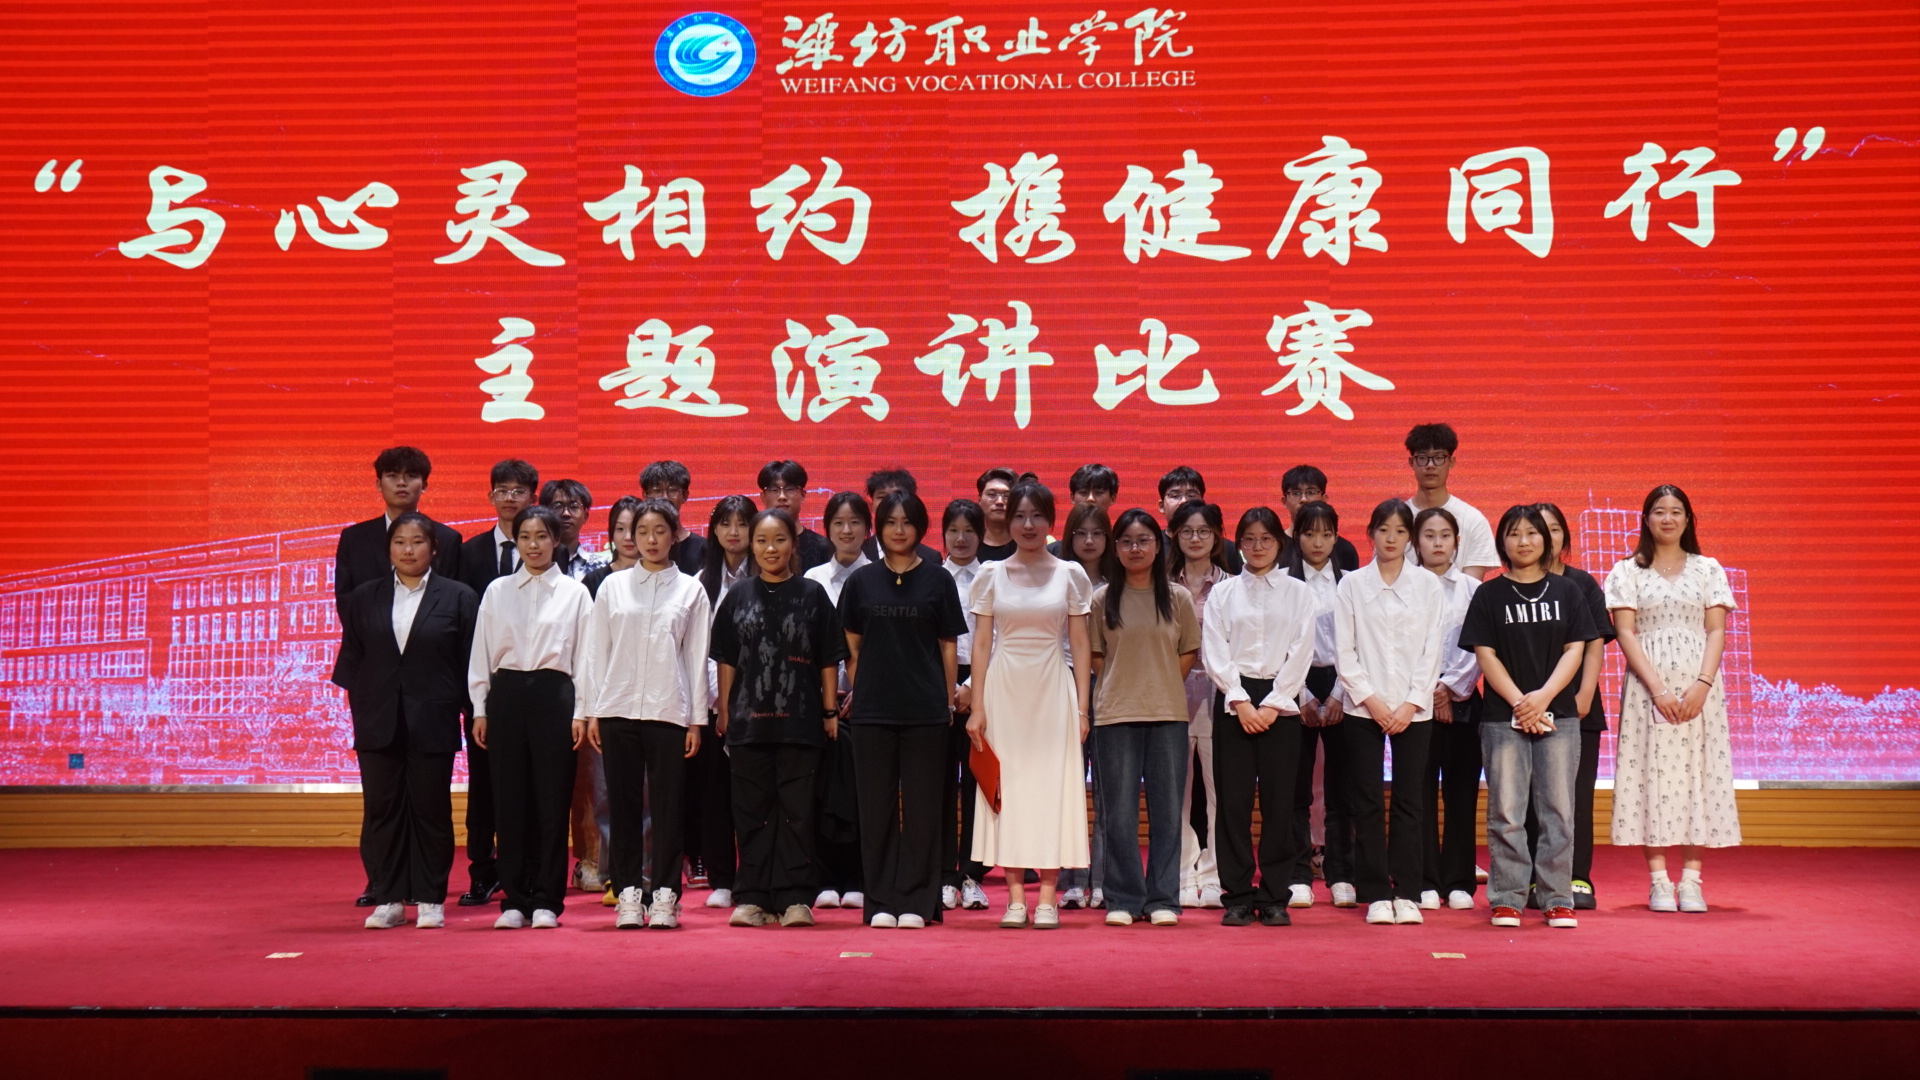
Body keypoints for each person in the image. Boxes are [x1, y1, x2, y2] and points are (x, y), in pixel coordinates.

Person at [333, 512, 479, 930]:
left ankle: (430, 897)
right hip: (378, 722)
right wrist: (365, 709)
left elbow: (470, 662)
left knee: (430, 810)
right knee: (383, 811)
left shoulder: (459, 597)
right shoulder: (364, 597)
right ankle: (390, 897)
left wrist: (469, 710)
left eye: (417, 542)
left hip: (432, 718)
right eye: (399, 542)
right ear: (388, 549)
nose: (408, 550)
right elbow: (352, 661)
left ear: (434, 549)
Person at [1458, 504, 1601, 930]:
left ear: (1547, 540)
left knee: (1559, 811)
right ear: (1502, 542)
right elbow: (1485, 654)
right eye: (1514, 534)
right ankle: (1507, 897)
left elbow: (1576, 649)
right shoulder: (1489, 594)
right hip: (1503, 718)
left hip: (1559, 715)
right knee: (1506, 812)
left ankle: (1557, 897)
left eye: (1532, 533)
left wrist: (1544, 697)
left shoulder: (1568, 591)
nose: (1523, 541)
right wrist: (1522, 702)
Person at [964, 482, 1094, 929]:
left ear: (1051, 520)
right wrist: (977, 706)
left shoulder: (1070, 574)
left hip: (1053, 689)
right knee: (1011, 790)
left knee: (1051, 789)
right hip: (1004, 692)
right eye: (1019, 516)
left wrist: (1082, 708)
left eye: (1037, 516)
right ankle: (1016, 897)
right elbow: (982, 644)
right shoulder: (991, 574)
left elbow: (1080, 643)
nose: (1028, 524)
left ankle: (1048, 897)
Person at [1606, 485, 1741, 914]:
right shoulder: (1627, 571)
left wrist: (1703, 683)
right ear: (1646, 519)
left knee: (1699, 774)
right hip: (1647, 691)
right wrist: (1659, 689)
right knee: (1652, 775)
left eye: (1676, 511)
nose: (1668, 519)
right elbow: (1625, 632)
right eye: (1659, 511)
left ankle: (1693, 882)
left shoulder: (1708, 568)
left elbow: (1716, 630)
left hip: (1701, 690)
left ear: (1688, 519)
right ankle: (1660, 882)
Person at [711, 508, 847, 928]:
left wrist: (829, 710)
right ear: (752, 546)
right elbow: (726, 658)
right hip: (748, 723)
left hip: (800, 722)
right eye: (762, 541)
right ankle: (753, 897)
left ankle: (794, 898)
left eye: (779, 540)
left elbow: (828, 658)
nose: (771, 549)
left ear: (793, 544)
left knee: (797, 812)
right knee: (751, 811)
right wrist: (725, 711)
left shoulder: (812, 594)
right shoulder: (738, 596)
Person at [579, 498, 711, 930]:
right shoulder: (612, 587)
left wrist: (696, 720)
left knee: (669, 808)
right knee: (622, 807)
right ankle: (628, 894)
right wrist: (592, 711)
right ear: (630, 537)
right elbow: (596, 653)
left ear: (674, 535)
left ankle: (666, 896)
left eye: (660, 531)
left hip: (668, 710)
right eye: (642, 532)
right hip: (617, 710)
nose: (651, 540)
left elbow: (696, 658)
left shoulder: (691, 590)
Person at [839, 491, 968, 928]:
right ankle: (880, 901)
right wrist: (866, 688)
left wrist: (946, 698)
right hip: (872, 712)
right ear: (878, 528)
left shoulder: (938, 580)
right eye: (890, 522)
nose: (899, 530)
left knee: (923, 810)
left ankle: (916, 901)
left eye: (907, 522)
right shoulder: (861, 581)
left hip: (926, 712)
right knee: (875, 810)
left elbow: (947, 645)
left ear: (920, 528)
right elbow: (852, 647)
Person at [468, 505, 594, 929]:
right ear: (515, 541)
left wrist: (581, 712)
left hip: (554, 695)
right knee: (509, 800)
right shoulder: (497, 591)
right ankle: (514, 899)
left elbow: (586, 657)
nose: (533, 545)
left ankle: (546, 900)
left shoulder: (575, 593)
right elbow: (482, 653)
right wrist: (480, 707)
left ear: (556, 540)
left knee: (552, 801)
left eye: (541, 536)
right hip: (505, 696)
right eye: (525, 537)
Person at [1200, 507, 1316, 927]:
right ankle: (1237, 895)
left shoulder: (1299, 593)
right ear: (1239, 544)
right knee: (1232, 804)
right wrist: (1240, 700)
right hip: (1235, 700)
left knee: (1280, 804)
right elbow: (1214, 649)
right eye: (1248, 539)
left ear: (1279, 543)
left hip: (1281, 702)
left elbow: (1302, 650)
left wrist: (1274, 702)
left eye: (1266, 538)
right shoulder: (1223, 593)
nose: (1257, 546)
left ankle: (1273, 896)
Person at [1335, 499, 1445, 926]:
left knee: (1410, 801)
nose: (1392, 538)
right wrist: (1374, 702)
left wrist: (1411, 702)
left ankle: (1409, 892)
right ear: (1371, 534)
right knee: (1366, 800)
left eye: (1400, 531)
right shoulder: (1352, 585)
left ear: (1410, 537)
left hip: (1413, 709)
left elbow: (1432, 650)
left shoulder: (1428, 586)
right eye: (1384, 530)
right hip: (1364, 708)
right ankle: (1376, 892)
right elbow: (1345, 653)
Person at [1089, 509, 1201, 927]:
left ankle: (1162, 899)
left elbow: (1188, 651)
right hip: (1115, 715)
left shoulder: (1178, 597)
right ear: (1116, 549)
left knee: (1167, 813)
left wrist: (1159, 681)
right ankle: (1123, 898)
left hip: (1167, 713)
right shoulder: (1102, 599)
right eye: (1126, 541)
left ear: (1158, 546)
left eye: (1144, 540)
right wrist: (1125, 684)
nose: (1135, 548)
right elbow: (1096, 656)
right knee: (1118, 814)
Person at [454, 456, 539, 907]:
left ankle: (524, 870)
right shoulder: (466, 553)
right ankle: (482, 872)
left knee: (529, 786)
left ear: (533, 497)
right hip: (483, 689)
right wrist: (472, 696)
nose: (510, 499)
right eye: (502, 491)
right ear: (490, 497)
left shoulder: (549, 550)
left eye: (518, 491)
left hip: (538, 690)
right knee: (484, 787)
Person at [1526, 502, 1614, 911]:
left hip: (1578, 706)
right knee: (1531, 798)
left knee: (1575, 797)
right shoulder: (1513, 584)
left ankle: (1577, 877)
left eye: (1554, 529)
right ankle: (1533, 879)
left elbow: (1595, 642)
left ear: (1564, 537)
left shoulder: (1581, 583)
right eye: (1536, 529)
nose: (1546, 536)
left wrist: (1585, 694)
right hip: (1527, 708)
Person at [541, 478, 612, 898]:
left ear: (586, 513)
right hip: (544, 685)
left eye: (574, 505)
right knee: (548, 782)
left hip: (588, 685)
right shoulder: (530, 563)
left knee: (590, 779)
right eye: (556, 505)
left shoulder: (601, 568)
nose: (565, 512)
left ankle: (591, 860)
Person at [803, 491, 872, 911]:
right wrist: (826, 696)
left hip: (868, 703)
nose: (847, 531)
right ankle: (824, 877)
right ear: (827, 529)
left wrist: (861, 691)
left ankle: (859, 877)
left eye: (855, 522)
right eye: (838, 523)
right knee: (820, 789)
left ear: (868, 529)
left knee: (863, 790)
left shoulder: (880, 575)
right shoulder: (811, 580)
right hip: (818, 703)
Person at [1284, 500, 1355, 910]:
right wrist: (1302, 695)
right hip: (1296, 682)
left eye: (1326, 534)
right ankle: (1297, 874)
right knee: (1295, 787)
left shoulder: (1351, 584)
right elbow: (1281, 645)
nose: (1318, 542)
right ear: (1297, 537)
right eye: (1310, 533)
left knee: (1341, 787)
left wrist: (1340, 693)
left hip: (1343, 682)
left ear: (1336, 537)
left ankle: (1341, 872)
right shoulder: (1284, 583)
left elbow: (1358, 642)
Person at [1414, 507, 1485, 911]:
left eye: (1445, 535)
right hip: (1415, 702)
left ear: (1457, 542)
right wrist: (1428, 690)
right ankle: (1424, 878)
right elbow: (1400, 645)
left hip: (1463, 701)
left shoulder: (1474, 590)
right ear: (1416, 542)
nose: (1437, 543)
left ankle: (1459, 880)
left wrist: (1450, 688)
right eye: (1429, 535)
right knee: (1417, 792)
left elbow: (1481, 647)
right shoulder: (1405, 587)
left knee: (1461, 793)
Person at [689, 495, 757, 909]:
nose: (734, 532)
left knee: (752, 797)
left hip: (759, 707)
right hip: (712, 706)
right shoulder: (699, 582)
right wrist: (707, 706)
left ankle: (753, 875)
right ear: (713, 530)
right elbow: (696, 652)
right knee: (714, 796)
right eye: (725, 523)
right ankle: (721, 878)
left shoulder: (769, 577)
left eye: (742, 523)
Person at [1168, 500, 1229, 909]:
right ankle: (1181, 873)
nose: (1195, 538)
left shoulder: (1230, 586)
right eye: (1187, 531)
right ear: (1175, 536)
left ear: (1216, 536)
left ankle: (1214, 873)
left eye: (1203, 531)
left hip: (1217, 692)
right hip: (1171, 691)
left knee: (1218, 789)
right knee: (1175, 789)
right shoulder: (1161, 585)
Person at [940, 498, 992, 910]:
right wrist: (946, 690)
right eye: (954, 531)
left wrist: (973, 686)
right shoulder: (932, 577)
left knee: (979, 784)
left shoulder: (991, 577)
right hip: (937, 687)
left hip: (984, 686)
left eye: (969, 531)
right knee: (940, 785)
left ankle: (972, 874)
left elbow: (998, 637)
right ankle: (943, 875)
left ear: (981, 535)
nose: (961, 539)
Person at [1403, 424, 1499, 580]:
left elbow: (1471, 588)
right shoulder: (1397, 520)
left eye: (1439, 458)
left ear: (1451, 462)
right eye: (1422, 458)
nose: (1430, 465)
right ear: (1411, 462)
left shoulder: (1473, 520)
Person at [1158, 466, 1241, 572]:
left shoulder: (1227, 549)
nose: (1183, 501)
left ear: (1202, 503)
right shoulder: (1153, 546)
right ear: (1161, 506)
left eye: (1191, 495)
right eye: (1175, 495)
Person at [1279, 465, 1360, 571]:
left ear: (1324, 499)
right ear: (1284, 501)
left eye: (1311, 492)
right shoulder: (1274, 547)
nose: (1304, 499)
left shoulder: (1345, 550)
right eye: (1296, 493)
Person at [759, 459, 833, 570]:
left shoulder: (823, 547)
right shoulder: (754, 546)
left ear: (803, 495)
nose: (782, 497)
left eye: (790, 489)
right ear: (763, 497)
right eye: (774, 490)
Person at [859, 467, 942, 563]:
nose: (889, 502)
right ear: (872, 504)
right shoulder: (858, 553)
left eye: (897, 495)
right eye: (882, 497)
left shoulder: (931, 558)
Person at [640, 460, 706, 575]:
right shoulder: (637, 548)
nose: (665, 497)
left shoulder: (704, 549)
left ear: (685, 495)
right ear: (646, 495)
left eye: (672, 491)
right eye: (657, 491)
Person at [581, 496, 643, 599]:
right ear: (611, 533)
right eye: (620, 529)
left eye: (634, 529)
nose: (628, 537)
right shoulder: (594, 581)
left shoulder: (660, 576)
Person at [975, 466, 1020, 562]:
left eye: (1007, 496)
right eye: (992, 494)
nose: (1000, 501)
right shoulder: (968, 543)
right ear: (979, 499)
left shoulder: (1027, 543)